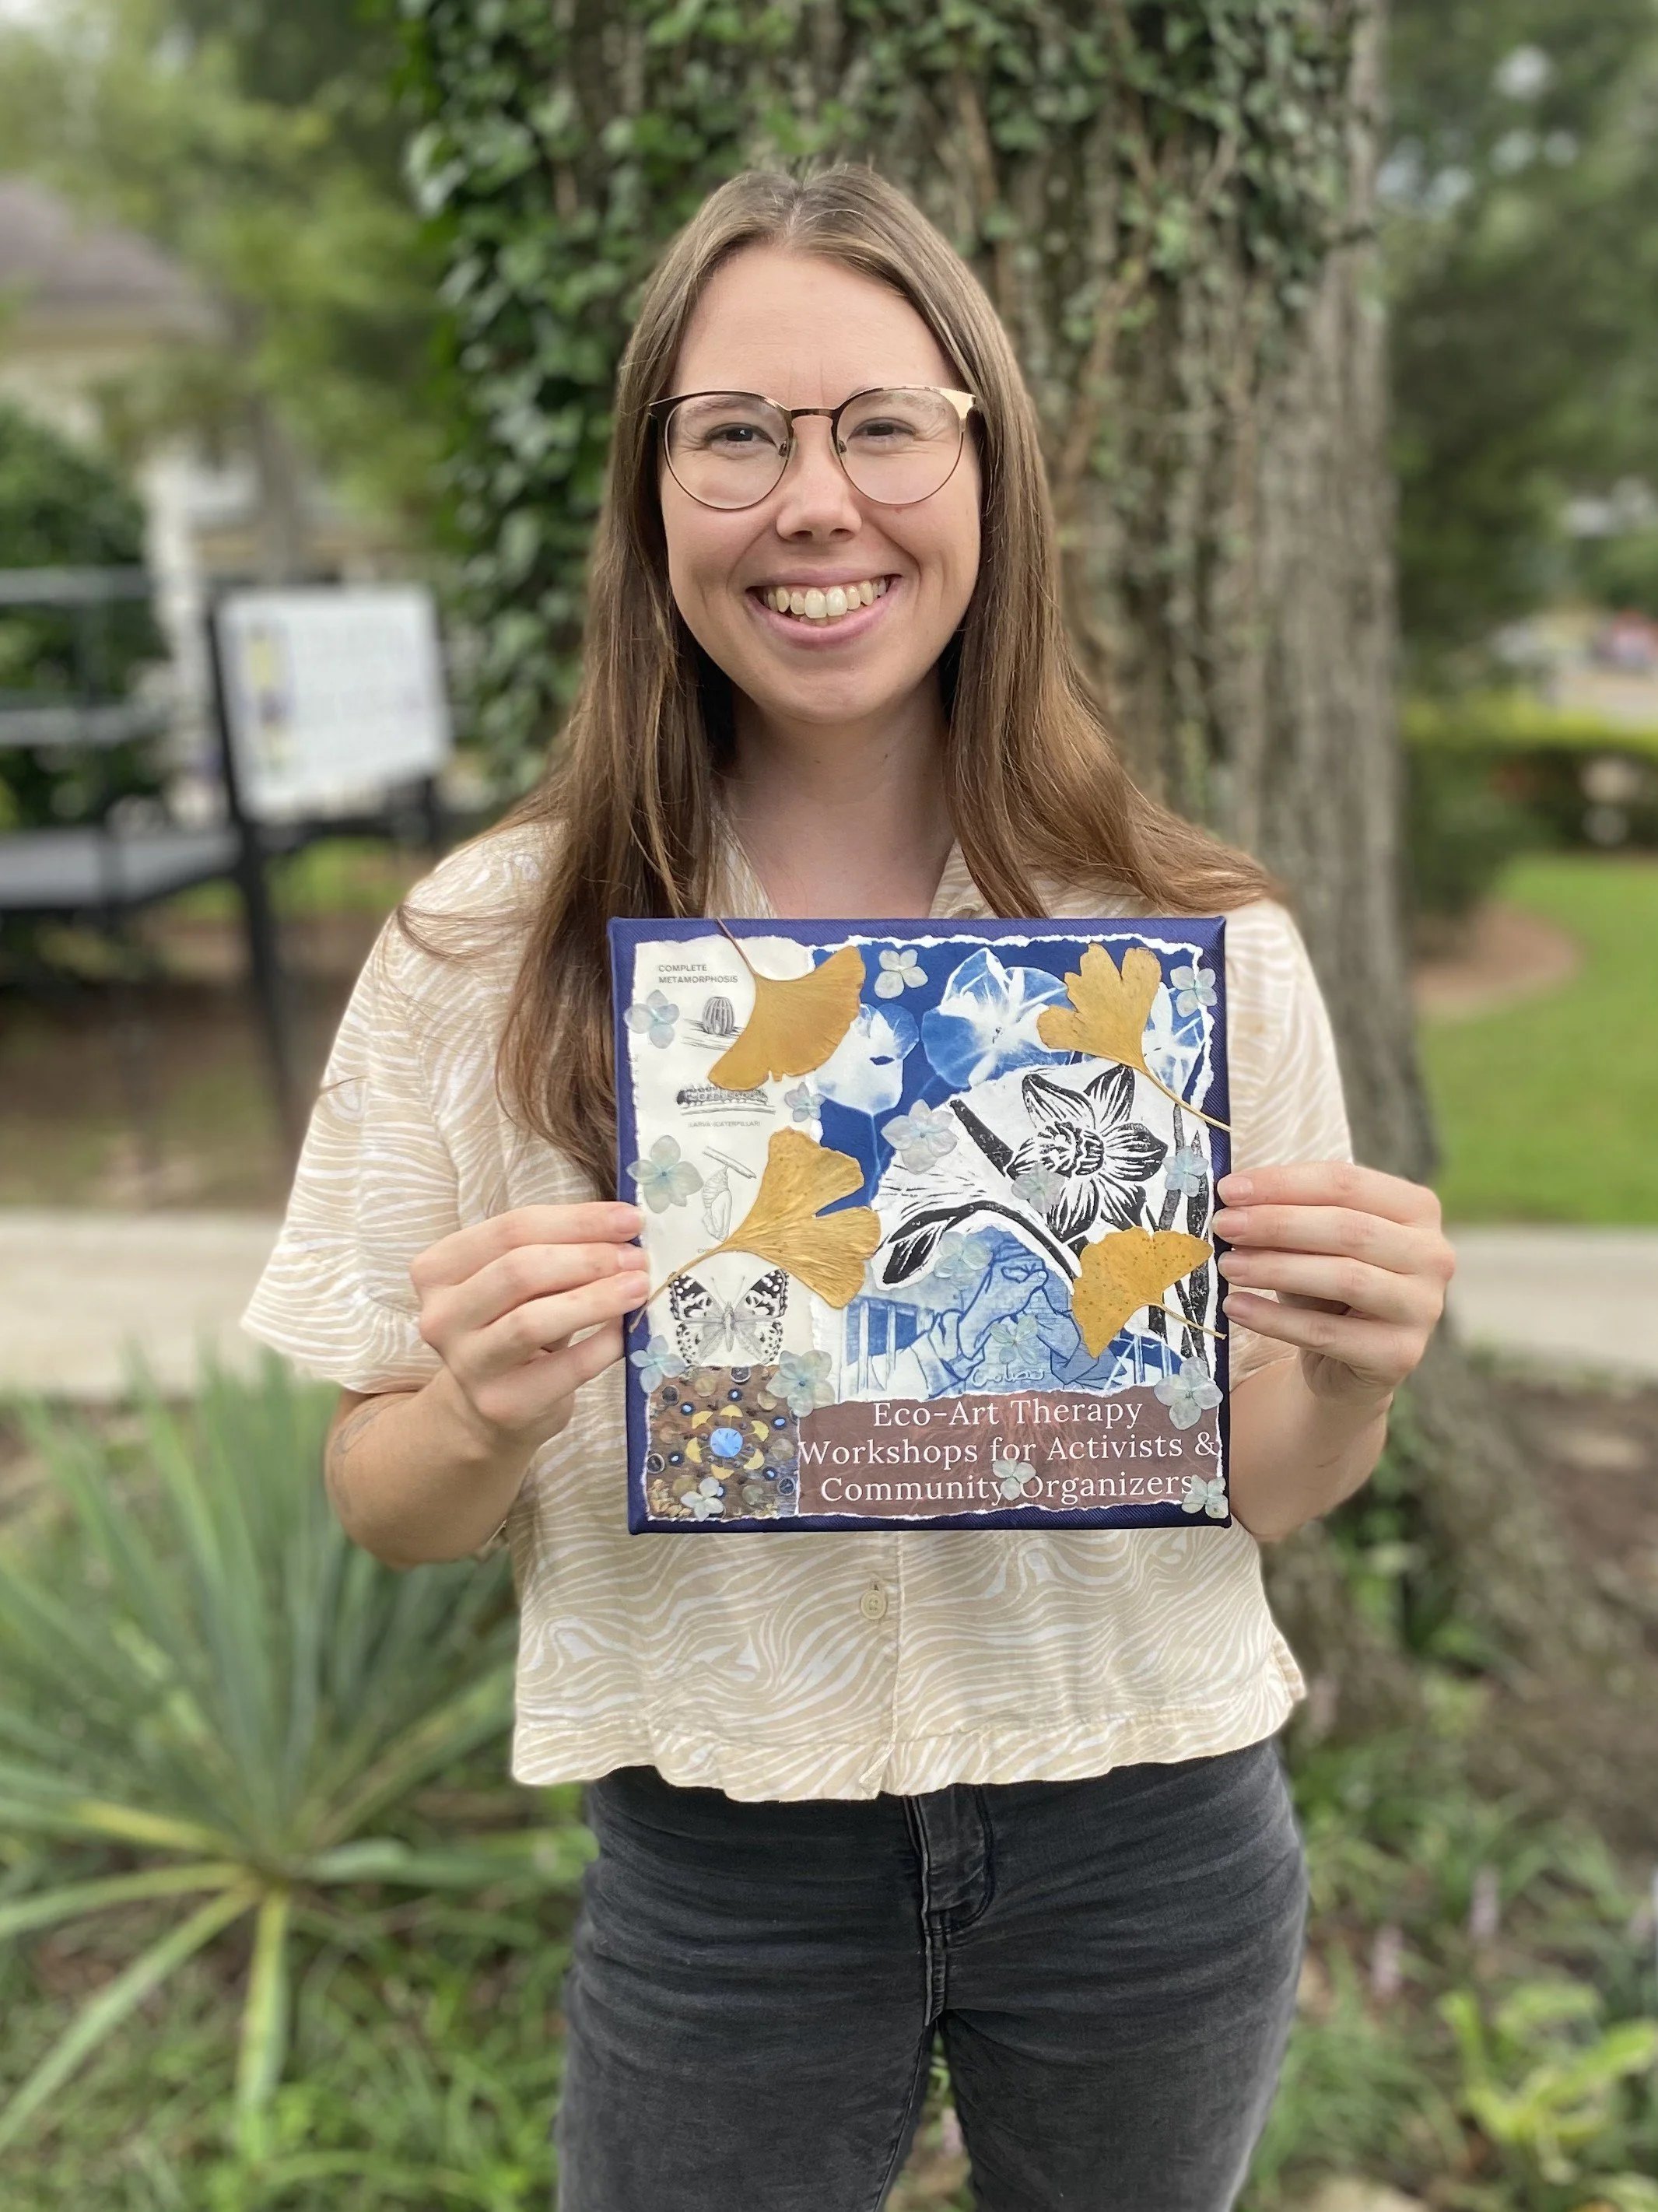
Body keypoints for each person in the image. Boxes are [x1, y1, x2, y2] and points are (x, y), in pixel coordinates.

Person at [244, 166, 1454, 2212]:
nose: (817, 501)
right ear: (650, 499)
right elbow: (385, 1498)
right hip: (728, 1865)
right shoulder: (482, 944)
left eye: (883, 424)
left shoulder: (1189, 940)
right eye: (739, 436)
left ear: (989, 469)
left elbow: (1263, 1475)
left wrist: (1353, 1372)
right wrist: (475, 1408)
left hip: (1147, 1827)